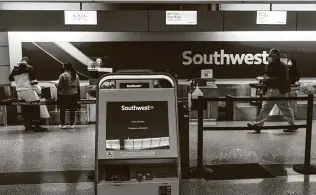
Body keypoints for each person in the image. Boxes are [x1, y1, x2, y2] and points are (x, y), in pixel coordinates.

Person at [247, 49, 297, 133]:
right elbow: (268, 75)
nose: (269, 57)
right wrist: (263, 77)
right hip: (270, 90)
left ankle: (292, 125)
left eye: (270, 56)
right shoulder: (270, 65)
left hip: (279, 91)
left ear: (275, 57)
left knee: (285, 109)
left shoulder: (282, 66)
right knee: (265, 108)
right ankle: (258, 125)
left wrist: (267, 79)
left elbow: (282, 79)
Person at [9, 57, 47, 131]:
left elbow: (10, 78)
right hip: (28, 90)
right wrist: (39, 92)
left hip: (19, 92)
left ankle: (27, 125)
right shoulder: (29, 68)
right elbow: (34, 81)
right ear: (27, 62)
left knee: (25, 107)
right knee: (36, 105)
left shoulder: (15, 69)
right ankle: (36, 125)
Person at [57, 62, 80, 129]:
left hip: (64, 95)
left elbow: (60, 86)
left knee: (62, 110)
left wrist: (58, 90)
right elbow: (78, 86)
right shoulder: (76, 75)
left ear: (65, 67)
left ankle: (62, 124)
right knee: (72, 109)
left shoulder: (63, 75)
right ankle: (71, 124)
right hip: (74, 95)